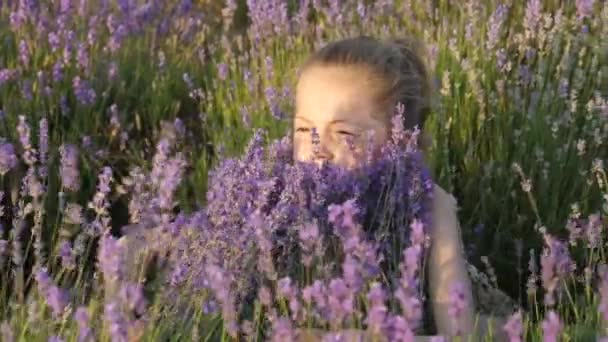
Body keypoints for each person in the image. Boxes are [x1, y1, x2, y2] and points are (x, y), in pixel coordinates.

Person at [292, 36, 516, 341]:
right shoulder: (280, 206)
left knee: (500, 332)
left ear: (400, 142)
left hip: (456, 315)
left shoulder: (428, 205)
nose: (318, 148)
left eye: (344, 133)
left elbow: (459, 334)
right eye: (304, 129)